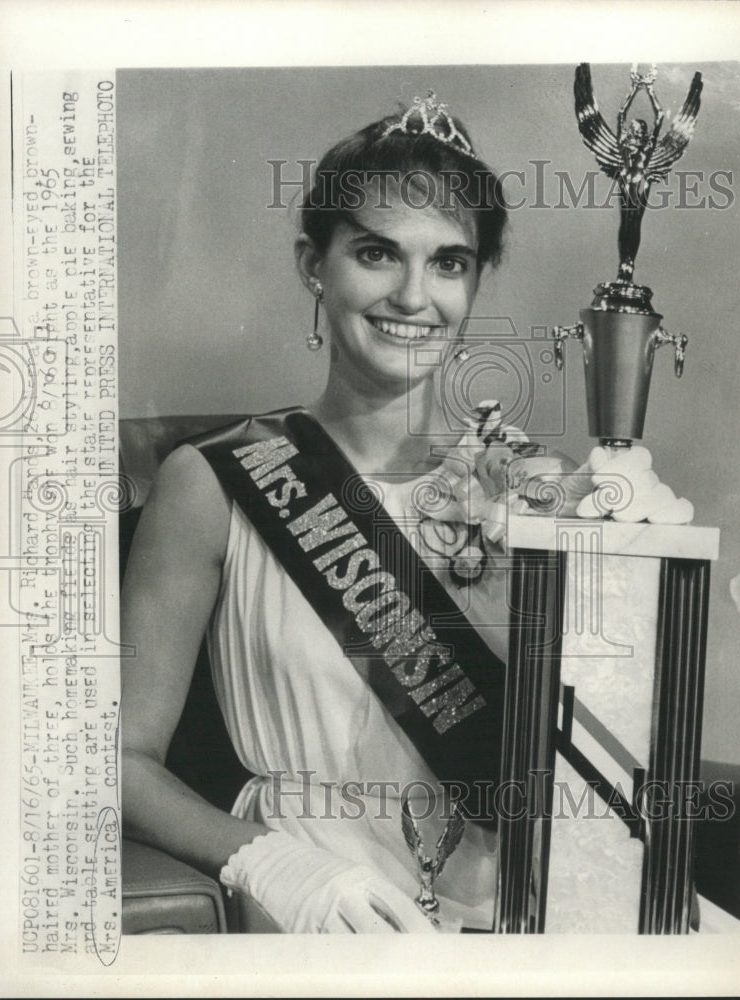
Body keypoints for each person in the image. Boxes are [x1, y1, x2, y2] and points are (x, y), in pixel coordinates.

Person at [121, 91, 693, 934]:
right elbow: (117, 761)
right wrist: (265, 863)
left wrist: (584, 598)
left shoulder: (537, 486)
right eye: (377, 254)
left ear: (475, 278)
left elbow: (606, 760)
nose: (413, 297)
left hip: (515, 901)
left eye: (449, 263)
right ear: (313, 264)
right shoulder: (214, 481)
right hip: (318, 897)